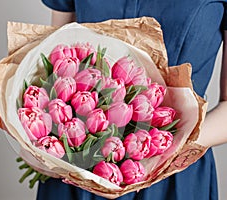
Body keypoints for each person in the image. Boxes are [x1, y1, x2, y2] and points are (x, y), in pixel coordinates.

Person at [37, 1, 227, 199]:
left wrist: (162, 148)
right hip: (78, 158)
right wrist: (40, 144)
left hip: (174, 172)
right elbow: (52, 64)